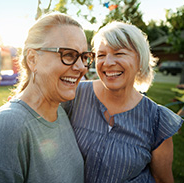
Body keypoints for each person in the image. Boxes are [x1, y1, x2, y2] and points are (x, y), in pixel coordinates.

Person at [0, 13, 93, 182]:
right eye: (68, 55)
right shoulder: (8, 128)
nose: (81, 67)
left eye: (84, 57)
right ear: (33, 59)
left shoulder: (62, 110)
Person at [62, 21, 183, 183]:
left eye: (119, 53)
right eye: (101, 55)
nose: (108, 62)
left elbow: (162, 179)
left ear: (140, 60)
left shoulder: (157, 119)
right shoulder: (75, 95)